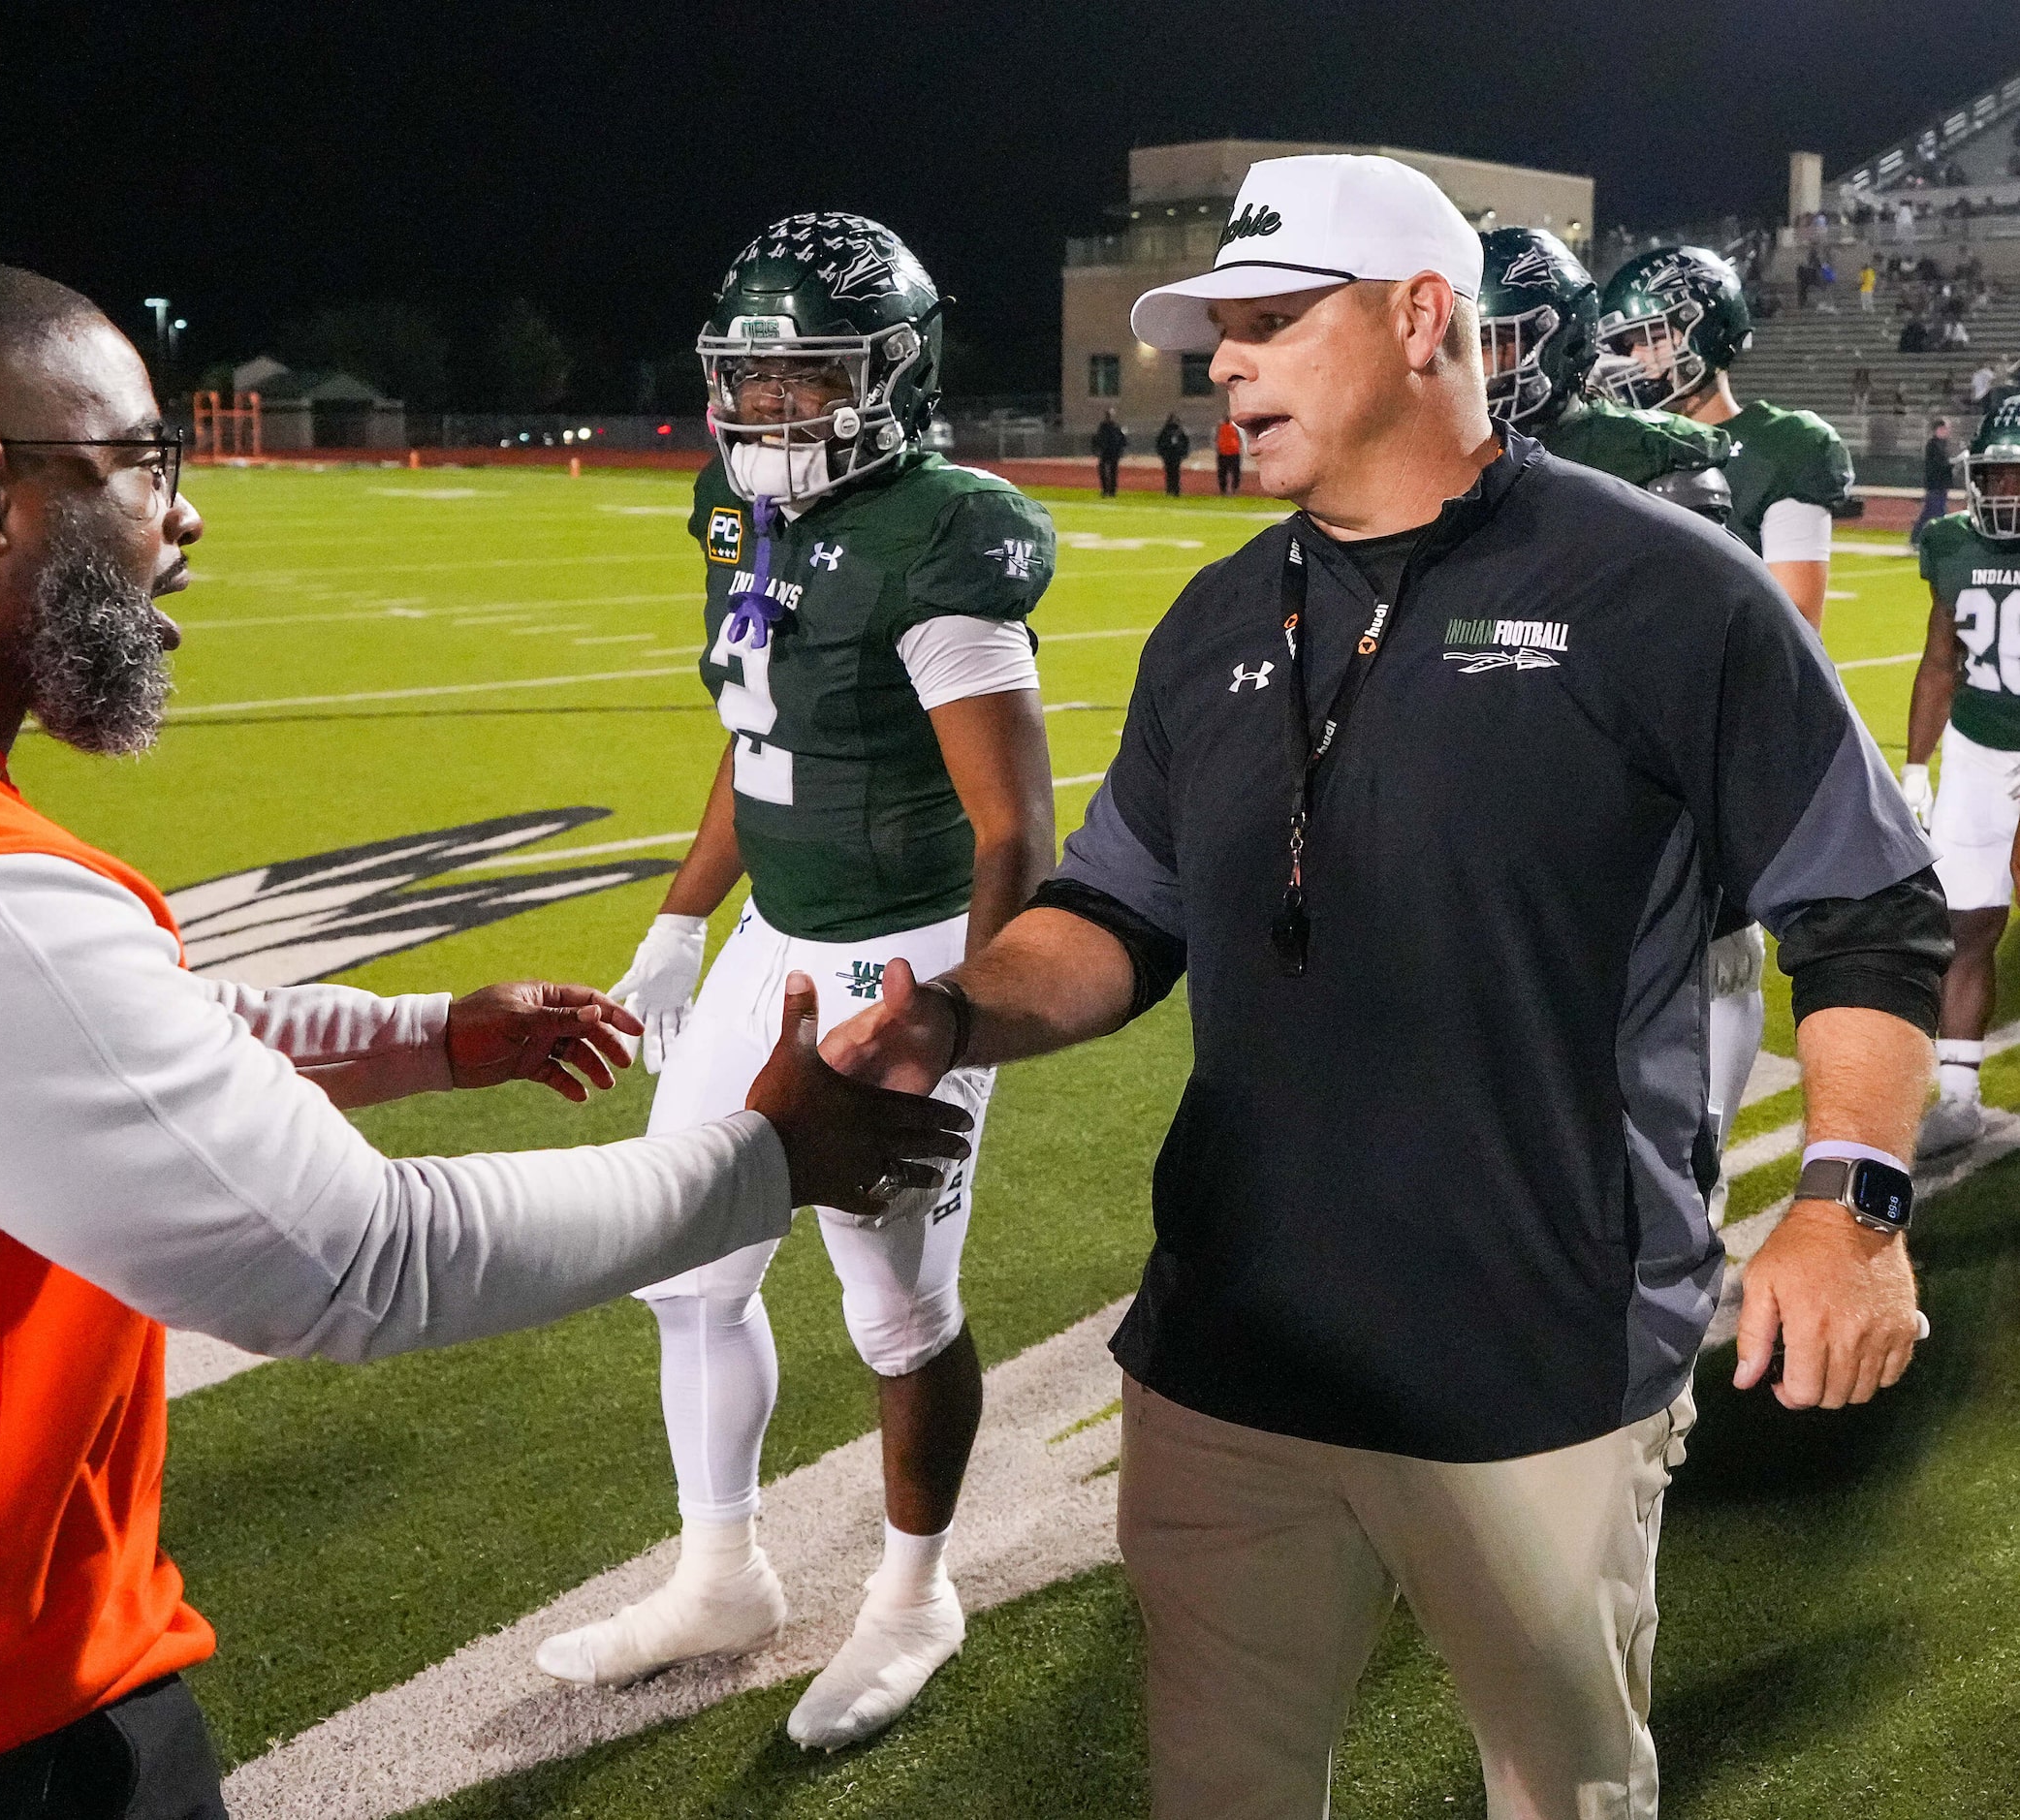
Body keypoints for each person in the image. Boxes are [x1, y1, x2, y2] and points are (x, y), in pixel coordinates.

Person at [0, 258, 969, 1820]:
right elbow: (359, 1260)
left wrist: (426, 1038)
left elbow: (91, 1042)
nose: (181, 518)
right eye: (142, 465)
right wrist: (763, 1157)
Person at [825, 153, 1942, 1819]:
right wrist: (953, 1014)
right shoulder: (1212, 621)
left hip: (1533, 1358)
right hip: (1230, 1357)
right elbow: (1111, 916)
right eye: (1218, 333)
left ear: (1423, 318)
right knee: (1218, 1790)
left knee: (1561, 1794)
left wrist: (1847, 1199)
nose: (1224, 365)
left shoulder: (1656, 590)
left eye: (1271, 322)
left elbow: (1864, 906)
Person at [535, 212, 1058, 1750]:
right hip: (775, 933)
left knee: (894, 1307)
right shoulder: (739, 511)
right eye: (747, 381)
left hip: (901, 951)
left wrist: (965, 1015)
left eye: (803, 379)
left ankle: (913, 1593)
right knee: (686, 1262)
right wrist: (683, 918)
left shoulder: (941, 538)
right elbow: (758, 741)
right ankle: (721, 1573)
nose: (766, 412)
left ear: (893, 373)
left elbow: (1013, 824)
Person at [1474, 225, 1767, 1161]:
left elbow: (1710, 679)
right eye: (1468, 340)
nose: (1483, 367)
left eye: (1504, 339)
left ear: (1561, 337)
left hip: (1627, 800)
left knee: (1663, 1135)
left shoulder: (1651, 460)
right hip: (1499, 806)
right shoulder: (1427, 457)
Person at [1596, 244, 1854, 630]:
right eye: (1626, 344)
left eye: (1649, 338)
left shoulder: (1782, 445)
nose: (1635, 358)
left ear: (1705, 333)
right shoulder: (1624, 443)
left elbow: (1795, 623)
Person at [1900, 394, 2020, 1158]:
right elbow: (1940, 662)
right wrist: (1916, 765)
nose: (2007, 493)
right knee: (1963, 924)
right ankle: (1959, 1094)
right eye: (1996, 476)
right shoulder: (1950, 542)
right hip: (1978, 751)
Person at [1915, 417, 1957, 542]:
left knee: (1933, 512)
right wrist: (1953, 463)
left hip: (1940, 484)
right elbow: (1939, 465)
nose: (1947, 431)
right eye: (1945, 428)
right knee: (1932, 513)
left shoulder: (1941, 445)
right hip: (1935, 484)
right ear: (1939, 429)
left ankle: (1919, 538)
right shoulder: (1933, 445)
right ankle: (1917, 538)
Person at [1091, 412, 1127, 495]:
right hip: (1107, 453)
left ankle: (1110, 490)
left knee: (1112, 472)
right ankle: (1107, 490)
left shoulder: (1113, 428)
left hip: (1111, 453)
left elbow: (1122, 440)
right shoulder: (1107, 428)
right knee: (1106, 472)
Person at [1155, 412, 1189, 494]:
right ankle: (1175, 489)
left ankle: (1170, 489)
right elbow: (1185, 443)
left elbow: (1159, 443)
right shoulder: (1179, 431)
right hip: (1175, 455)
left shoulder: (1165, 431)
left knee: (1170, 473)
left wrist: (1161, 453)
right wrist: (1184, 453)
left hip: (1169, 455)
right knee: (1175, 473)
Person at [1213, 414, 1244, 493]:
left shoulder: (1234, 428)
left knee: (1235, 473)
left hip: (1233, 452)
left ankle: (1234, 489)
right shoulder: (1220, 427)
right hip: (1224, 453)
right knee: (1223, 473)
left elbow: (1239, 439)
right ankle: (1224, 490)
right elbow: (1215, 439)